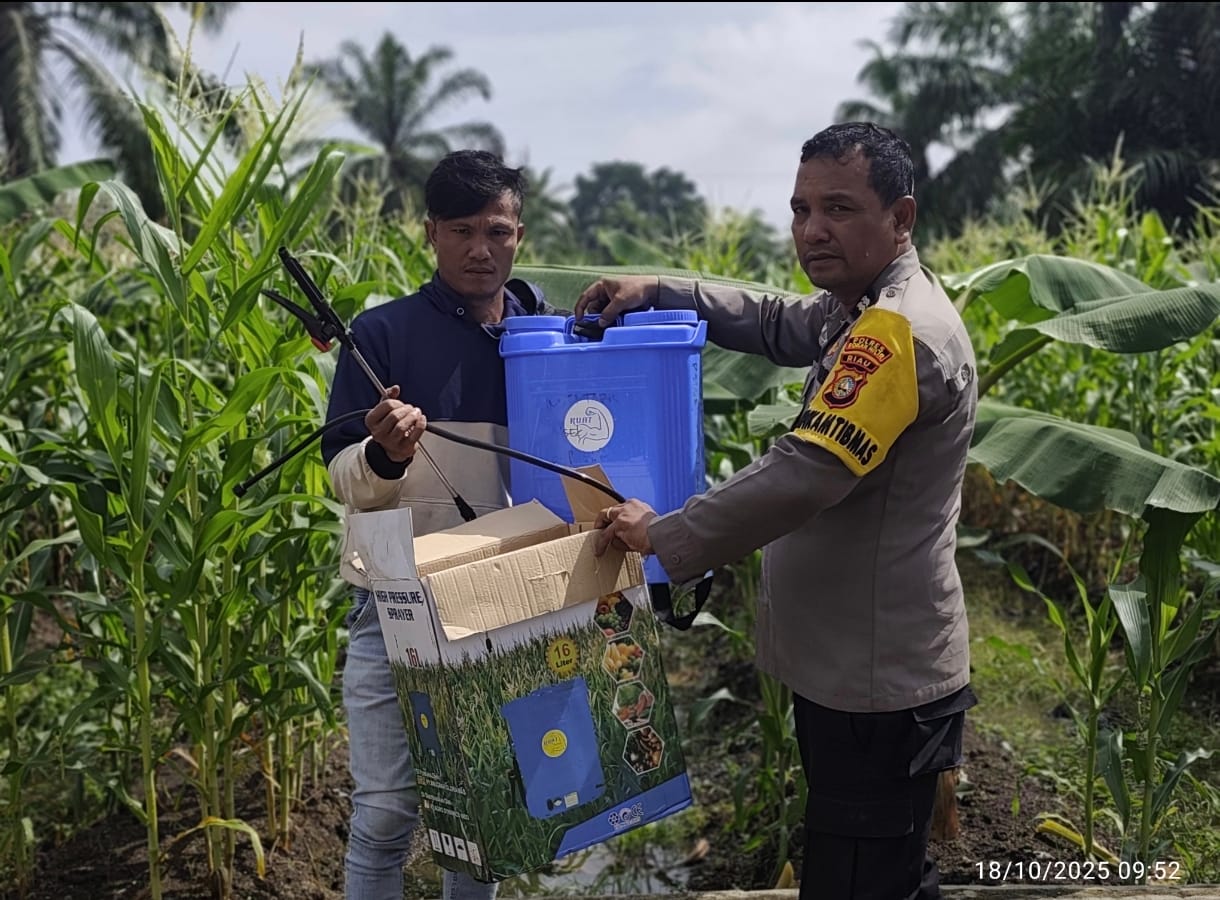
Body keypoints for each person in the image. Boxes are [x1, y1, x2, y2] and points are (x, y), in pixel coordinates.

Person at [578, 122, 978, 900]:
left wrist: (663, 534)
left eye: (838, 208)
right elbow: (772, 320)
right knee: (888, 875)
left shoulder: (897, 332)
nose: (812, 229)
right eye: (800, 210)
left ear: (900, 217)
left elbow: (806, 473)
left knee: (859, 881)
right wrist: (658, 290)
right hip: (858, 672)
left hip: (874, 685)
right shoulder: (859, 308)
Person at [321, 149, 561, 900]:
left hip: (509, 596)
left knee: (485, 810)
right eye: (461, 231)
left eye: (497, 231)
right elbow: (341, 473)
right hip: (393, 598)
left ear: (519, 234)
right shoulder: (380, 335)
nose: (480, 249)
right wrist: (385, 455)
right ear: (430, 233)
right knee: (385, 815)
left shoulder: (546, 340)